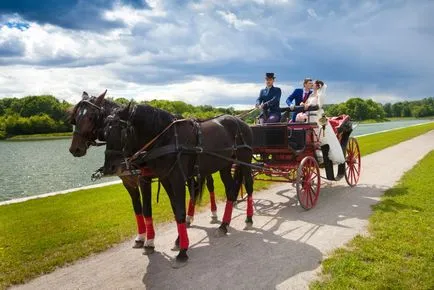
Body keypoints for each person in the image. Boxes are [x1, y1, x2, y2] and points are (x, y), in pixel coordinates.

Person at [298, 80, 345, 164]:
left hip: (319, 115)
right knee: (309, 133)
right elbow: (306, 103)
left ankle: (325, 154)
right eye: (311, 83)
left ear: (318, 86)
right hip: (310, 115)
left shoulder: (320, 94)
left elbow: (319, 105)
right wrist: (303, 104)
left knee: (323, 133)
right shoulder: (311, 94)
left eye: (314, 83)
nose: (312, 84)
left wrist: (309, 106)